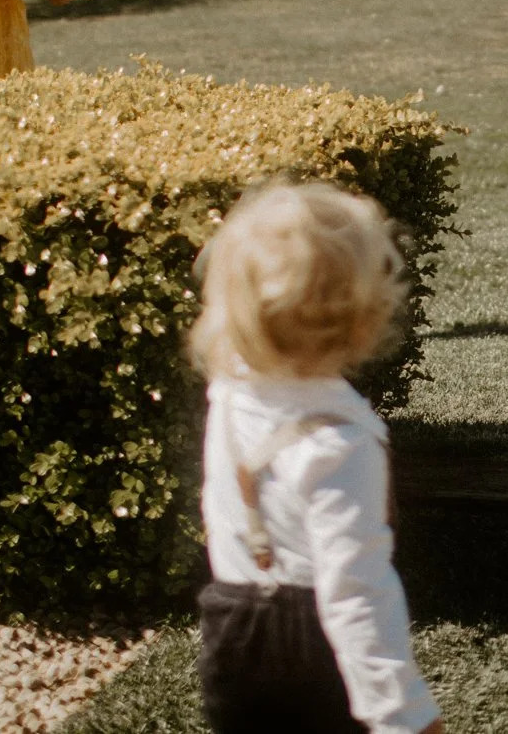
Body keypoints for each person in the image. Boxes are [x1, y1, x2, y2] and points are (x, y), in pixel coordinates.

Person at [187, 181, 444, 734]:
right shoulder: (341, 442)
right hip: (311, 646)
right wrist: (404, 716)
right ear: (364, 317)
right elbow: (355, 591)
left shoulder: (230, 392)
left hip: (230, 624)